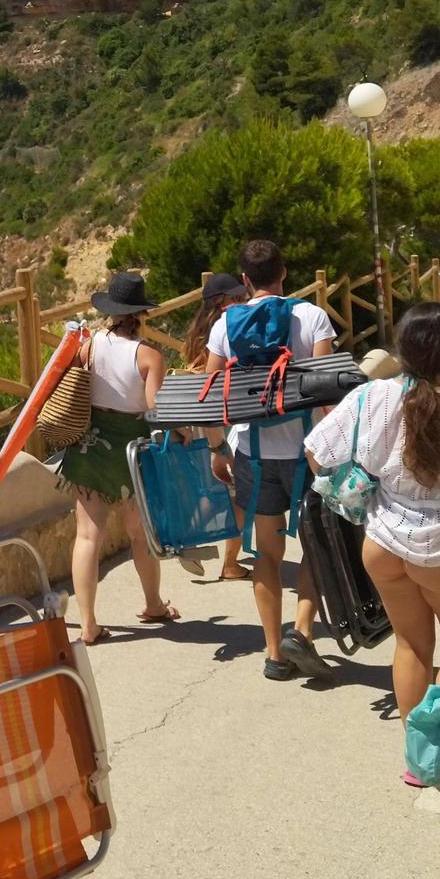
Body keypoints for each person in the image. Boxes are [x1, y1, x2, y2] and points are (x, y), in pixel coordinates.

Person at [306, 303, 440, 797]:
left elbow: (316, 452)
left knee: (410, 645)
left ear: (401, 347)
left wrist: (365, 474)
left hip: (382, 541)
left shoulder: (371, 396)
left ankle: (417, 758)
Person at [199, 239, 338, 682]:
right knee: (317, 544)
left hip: (252, 454)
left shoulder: (224, 325)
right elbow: (328, 393)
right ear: (285, 272)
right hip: (309, 453)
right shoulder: (312, 317)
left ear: (244, 280)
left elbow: (210, 396)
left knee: (268, 554)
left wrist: (216, 448)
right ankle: (302, 629)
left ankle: (275, 653)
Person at [57, 270, 180, 642]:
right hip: (132, 453)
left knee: (87, 536)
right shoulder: (149, 356)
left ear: (111, 310)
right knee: (139, 535)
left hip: (91, 447)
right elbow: (155, 410)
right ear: (142, 313)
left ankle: (89, 623)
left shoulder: (89, 345)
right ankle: (153, 604)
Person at [177, 271, 253, 582]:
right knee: (237, 495)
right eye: (236, 297)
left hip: (198, 422)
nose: (242, 300)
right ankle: (229, 563)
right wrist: (218, 445)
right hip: (219, 424)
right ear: (221, 302)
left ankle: (189, 542)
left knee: (212, 491)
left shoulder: (196, 333)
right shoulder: (225, 331)